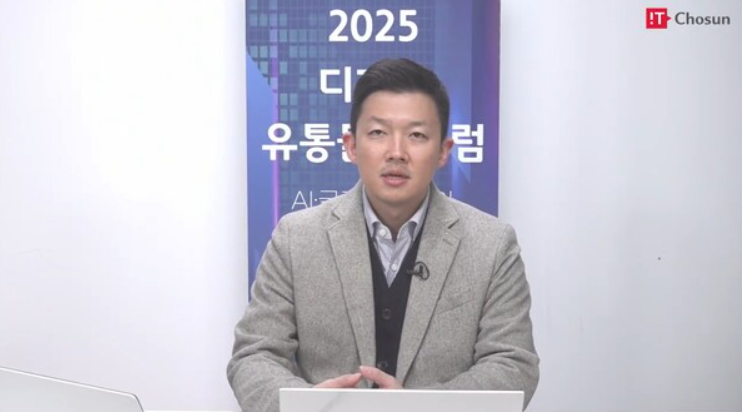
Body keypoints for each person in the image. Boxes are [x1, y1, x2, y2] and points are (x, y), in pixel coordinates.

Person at [227, 58, 539, 412]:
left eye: (417, 135)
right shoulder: (296, 238)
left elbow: (513, 365)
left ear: (443, 151)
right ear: (351, 145)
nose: (396, 152)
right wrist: (309, 406)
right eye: (378, 132)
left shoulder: (492, 245)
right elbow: (254, 355)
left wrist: (418, 408)